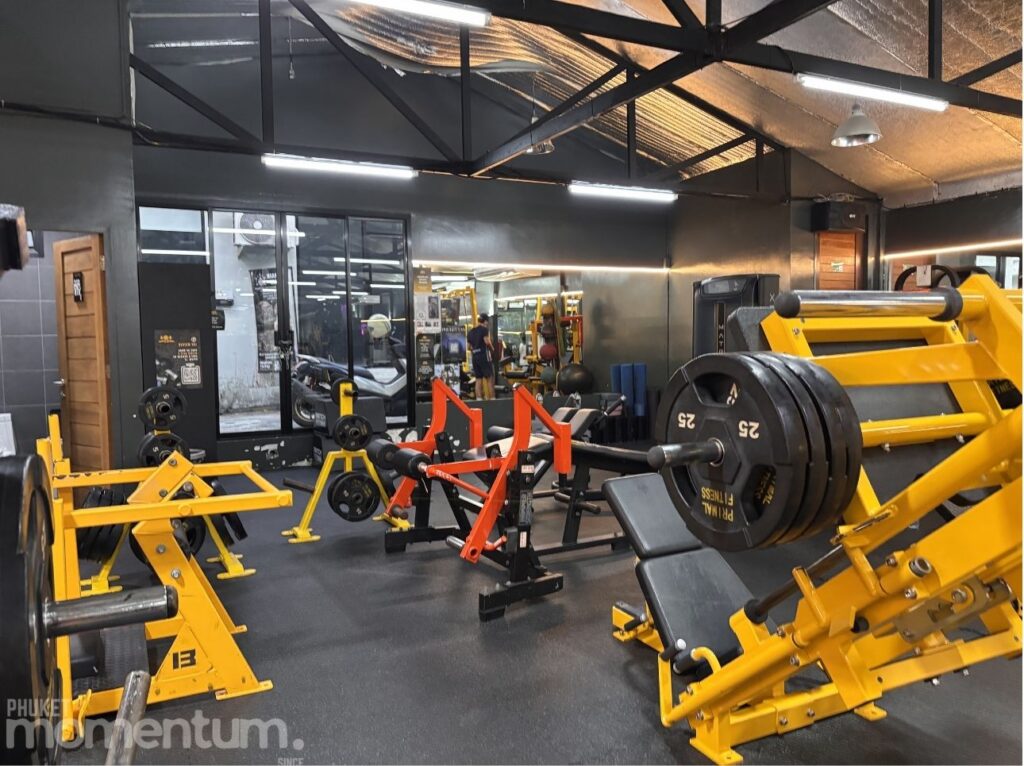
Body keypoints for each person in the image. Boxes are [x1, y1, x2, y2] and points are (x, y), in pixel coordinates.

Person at [467, 313, 495, 400]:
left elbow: (468, 347)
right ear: (485, 321)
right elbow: (487, 341)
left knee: (478, 378)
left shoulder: (470, 332)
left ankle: (478, 399)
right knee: (489, 378)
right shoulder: (484, 329)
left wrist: (475, 349)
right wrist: (493, 350)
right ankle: (493, 399)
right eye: (487, 322)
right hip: (483, 356)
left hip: (475, 357)